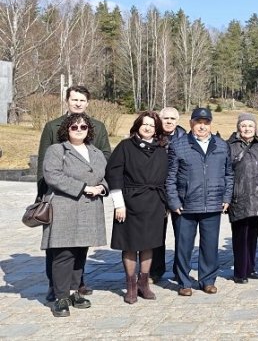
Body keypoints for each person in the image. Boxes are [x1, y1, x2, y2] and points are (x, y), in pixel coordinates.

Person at [36, 85, 111, 302]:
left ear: (87, 103)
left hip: (89, 202)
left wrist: (101, 186)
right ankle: (57, 289)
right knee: (60, 248)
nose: (78, 103)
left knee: (80, 249)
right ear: (67, 100)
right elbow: (46, 166)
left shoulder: (97, 130)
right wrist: (42, 194)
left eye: (82, 100)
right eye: (74, 99)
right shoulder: (53, 129)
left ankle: (76, 286)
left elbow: (105, 159)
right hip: (61, 200)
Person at [166, 107, 234, 296]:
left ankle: (208, 280)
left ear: (210, 124)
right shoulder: (178, 146)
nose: (202, 127)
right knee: (183, 245)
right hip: (185, 205)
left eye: (206, 123)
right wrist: (173, 201)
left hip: (213, 203)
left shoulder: (221, 145)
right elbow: (170, 177)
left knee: (210, 245)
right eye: (198, 123)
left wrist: (226, 197)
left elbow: (229, 174)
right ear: (191, 124)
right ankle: (184, 282)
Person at [106, 111, 169, 304]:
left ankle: (144, 283)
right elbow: (114, 174)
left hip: (154, 204)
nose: (148, 128)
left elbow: (165, 178)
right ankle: (131, 285)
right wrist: (119, 204)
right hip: (130, 203)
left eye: (152, 125)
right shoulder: (125, 146)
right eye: (145, 124)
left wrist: (165, 203)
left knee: (149, 244)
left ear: (157, 129)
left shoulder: (161, 149)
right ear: (138, 126)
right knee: (131, 245)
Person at [227, 113, 258, 284]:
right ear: (238, 127)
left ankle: (250, 268)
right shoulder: (230, 146)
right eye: (244, 125)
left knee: (252, 235)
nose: (247, 129)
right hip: (240, 197)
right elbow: (227, 173)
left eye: (250, 126)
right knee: (240, 237)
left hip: (257, 198)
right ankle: (240, 272)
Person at [150, 106, 185, 282]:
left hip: (179, 192)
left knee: (182, 234)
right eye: (166, 118)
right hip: (157, 193)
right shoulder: (152, 138)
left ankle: (180, 271)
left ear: (177, 121)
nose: (169, 122)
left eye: (173, 119)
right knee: (156, 234)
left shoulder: (185, 138)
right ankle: (155, 271)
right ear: (159, 120)